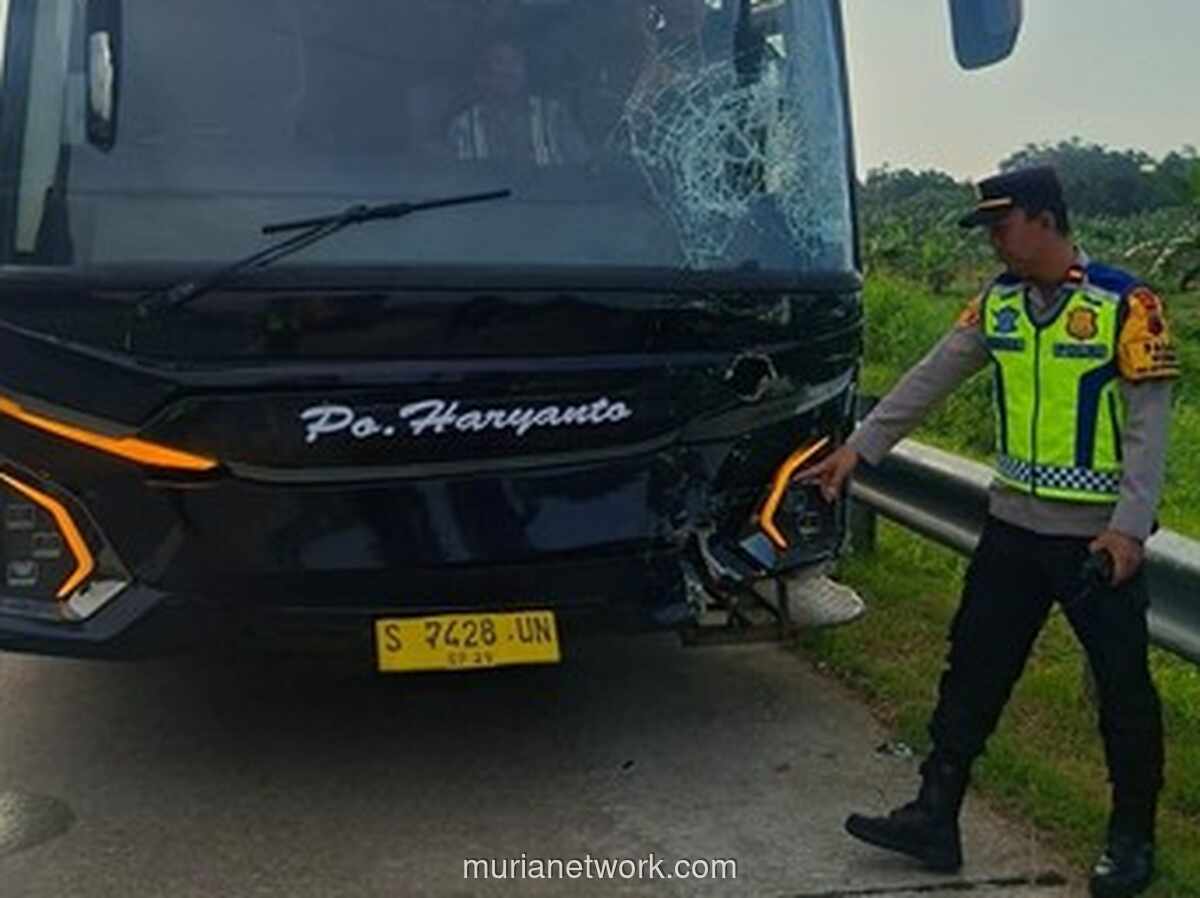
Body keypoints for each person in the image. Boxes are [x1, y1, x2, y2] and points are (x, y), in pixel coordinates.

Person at [796, 166, 1180, 898]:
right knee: (971, 672)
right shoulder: (997, 306)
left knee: (1124, 692)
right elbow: (928, 379)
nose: (996, 245)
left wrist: (1128, 532)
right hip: (1013, 528)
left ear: (1043, 218)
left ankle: (1131, 839)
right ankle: (934, 815)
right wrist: (858, 448)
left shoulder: (1126, 306)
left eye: (1002, 229)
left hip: (1096, 545)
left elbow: (1147, 433)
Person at [448, 36, 589, 167]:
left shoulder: (554, 115)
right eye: (499, 62)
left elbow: (584, 168)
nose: (509, 71)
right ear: (482, 75)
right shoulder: (463, 126)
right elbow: (456, 179)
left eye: (515, 61)